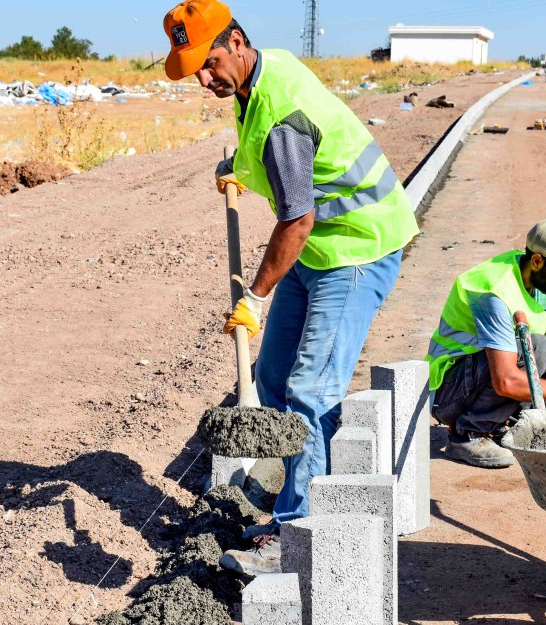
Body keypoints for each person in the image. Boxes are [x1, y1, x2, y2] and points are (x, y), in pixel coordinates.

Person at [160, 0, 419, 574]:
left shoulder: (279, 109)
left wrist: (254, 297)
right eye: (193, 71)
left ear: (236, 41)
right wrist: (241, 172)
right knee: (273, 377)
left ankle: (299, 534)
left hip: (357, 247)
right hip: (321, 243)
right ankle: (301, 497)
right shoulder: (257, 77)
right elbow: (287, 166)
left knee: (309, 389)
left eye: (207, 65)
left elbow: (295, 217)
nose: (203, 80)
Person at [426, 218, 546, 469]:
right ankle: (468, 433)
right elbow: (505, 380)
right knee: (537, 347)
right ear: (538, 260)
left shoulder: (543, 279)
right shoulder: (494, 292)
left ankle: (510, 418)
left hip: (478, 376)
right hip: (448, 391)